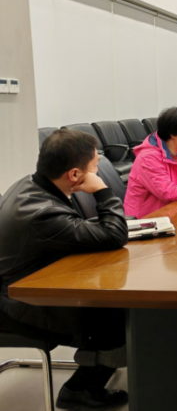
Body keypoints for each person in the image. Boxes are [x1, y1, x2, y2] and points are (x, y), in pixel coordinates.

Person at [0, 129, 129, 409]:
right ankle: (80, 389)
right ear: (74, 174)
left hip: (30, 281)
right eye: (95, 168)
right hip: (20, 303)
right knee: (117, 309)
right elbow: (115, 236)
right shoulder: (42, 212)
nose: (97, 173)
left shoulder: (31, 184)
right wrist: (103, 191)